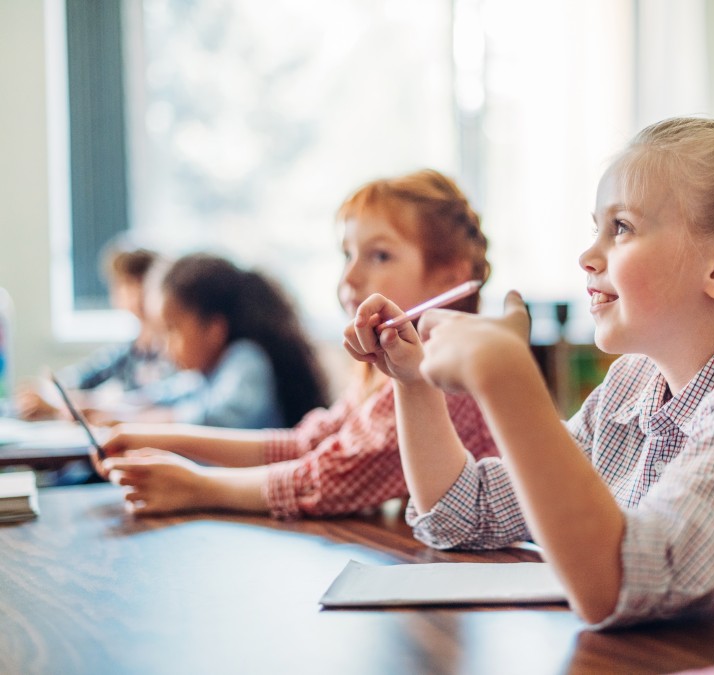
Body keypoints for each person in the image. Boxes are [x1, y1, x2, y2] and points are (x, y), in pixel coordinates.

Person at [344, 87, 714, 655]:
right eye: (596, 227)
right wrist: (411, 380)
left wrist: (510, 381)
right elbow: (462, 514)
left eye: (623, 228)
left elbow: (623, 585)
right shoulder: (633, 384)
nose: (588, 255)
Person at [97, 169, 498, 518]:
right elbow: (307, 445)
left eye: (379, 256)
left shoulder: (445, 375)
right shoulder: (385, 371)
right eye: (347, 254)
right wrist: (156, 438)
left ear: (450, 276)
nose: (350, 277)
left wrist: (197, 487)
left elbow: (328, 478)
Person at [114, 252, 330, 429]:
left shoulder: (247, 359)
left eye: (172, 330)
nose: (165, 347)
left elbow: (217, 419)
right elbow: (169, 393)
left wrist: (139, 421)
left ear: (214, 329)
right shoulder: (208, 371)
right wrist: (116, 409)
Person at [16, 243, 175, 420]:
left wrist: (70, 405)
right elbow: (77, 377)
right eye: (124, 283)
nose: (133, 292)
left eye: (139, 282)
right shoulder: (129, 351)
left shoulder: (176, 351)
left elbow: (156, 400)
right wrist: (47, 393)